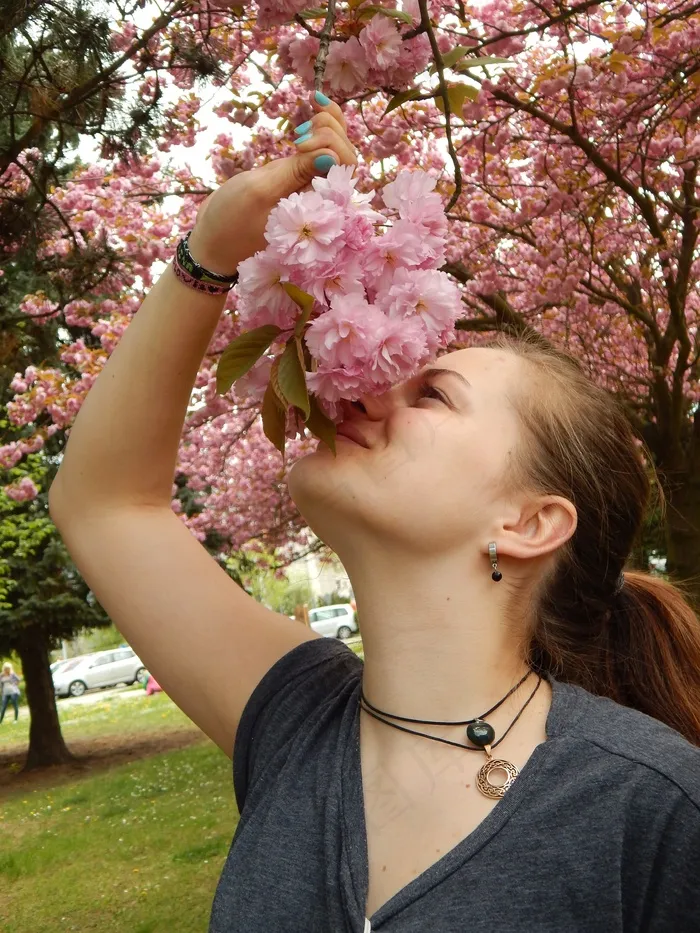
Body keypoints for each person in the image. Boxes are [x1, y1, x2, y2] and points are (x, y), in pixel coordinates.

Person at [48, 93, 700, 932]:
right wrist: (213, 246)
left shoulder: (654, 811)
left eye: (434, 392)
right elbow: (104, 503)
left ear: (530, 523)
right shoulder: (295, 720)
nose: (364, 389)